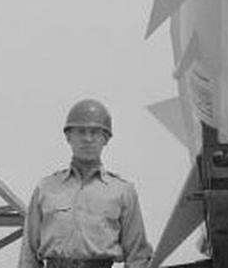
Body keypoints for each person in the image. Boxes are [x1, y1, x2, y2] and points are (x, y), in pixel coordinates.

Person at [18, 99, 153, 268]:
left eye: (95, 132)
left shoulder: (122, 191)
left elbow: (138, 256)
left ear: (106, 139)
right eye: (81, 132)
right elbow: (28, 255)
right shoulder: (46, 189)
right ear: (68, 136)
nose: (88, 139)